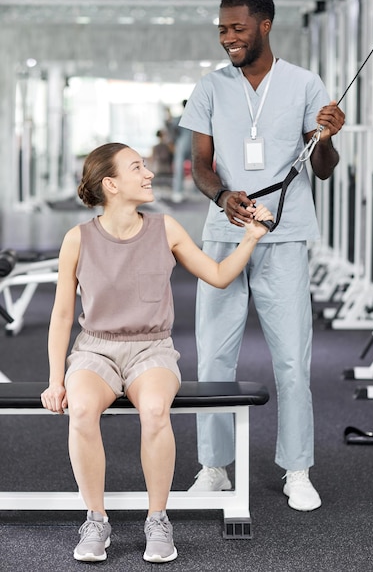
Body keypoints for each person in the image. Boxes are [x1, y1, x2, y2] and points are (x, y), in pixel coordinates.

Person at [40, 141, 273, 564]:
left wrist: (251, 237)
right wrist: (57, 379)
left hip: (152, 348)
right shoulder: (77, 239)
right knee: (81, 410)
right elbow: (61, 315)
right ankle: (95, 519)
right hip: (95, 350)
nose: (149, 173)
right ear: (111, 184)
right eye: (137, 167)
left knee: (153, 411)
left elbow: (218, 276)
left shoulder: (165, 228)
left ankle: (158, 519)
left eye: (145, 166)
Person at [179, 0, 345, 511]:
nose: (228, 37)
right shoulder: (210, 86)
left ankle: (297, 468)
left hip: (286, 232)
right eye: (222, 29)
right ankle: (213, 467)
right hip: (224, 234)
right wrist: (223, 194)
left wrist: (329, 138)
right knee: (215, 355)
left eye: (237, 28)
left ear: (265, 26)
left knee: (292, 358)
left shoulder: (303, 84)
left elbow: (322, 167)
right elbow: (200, 166)